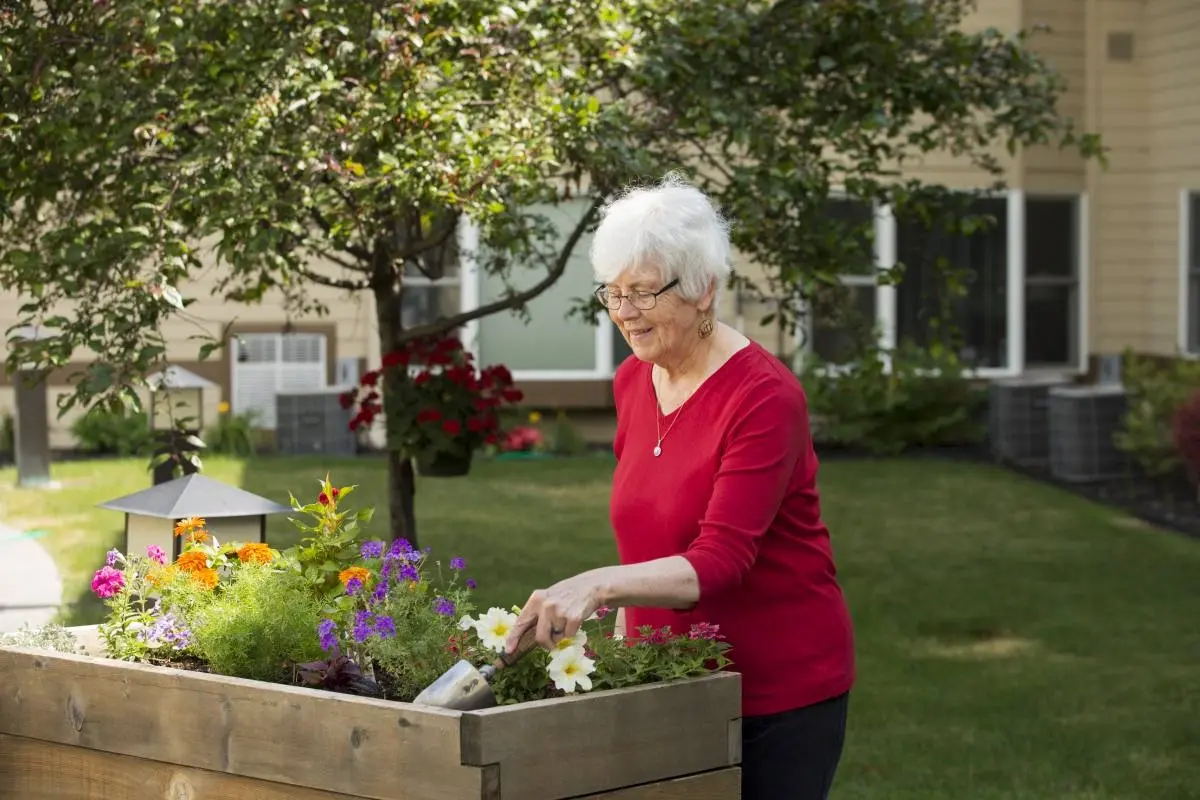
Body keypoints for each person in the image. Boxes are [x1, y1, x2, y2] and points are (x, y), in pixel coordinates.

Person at [504, 172, 856, 800]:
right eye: (611, 292)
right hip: (668, 681)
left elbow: (720, 562)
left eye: (643, 292)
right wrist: (613, 653)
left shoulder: (764, 398)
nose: (624, 313)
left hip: (776, 693)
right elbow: (647, 536)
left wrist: (594, 584)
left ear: (704, 291)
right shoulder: (635, 381)